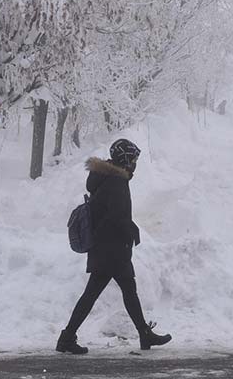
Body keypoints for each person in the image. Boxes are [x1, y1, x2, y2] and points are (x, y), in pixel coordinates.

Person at [56, 138, 172, 354]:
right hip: (112, 250)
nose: (135, 164)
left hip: (107, 248)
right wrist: (130, 231)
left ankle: (143, 334)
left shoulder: (106, 178)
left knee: (124, 291)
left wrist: (127, 230)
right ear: (126, 159)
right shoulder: (116, 182)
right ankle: (67, 337)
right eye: (134, 159)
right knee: (106, 293)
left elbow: (109, 213)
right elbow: (116, 217)